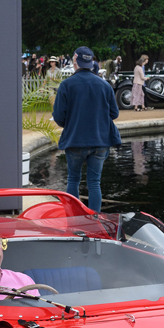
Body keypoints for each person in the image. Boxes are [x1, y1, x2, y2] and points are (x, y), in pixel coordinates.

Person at [52, 46, 122, 213]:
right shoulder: (104, 85)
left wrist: (71, 123)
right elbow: (114, 113)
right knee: (94, 182)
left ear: (75, 59)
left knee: (73, 179)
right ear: (91, 61)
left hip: (75, 139)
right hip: (99, 141)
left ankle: (73, 218)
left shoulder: (66, 85)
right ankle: (94, 221)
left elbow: (59, 116)